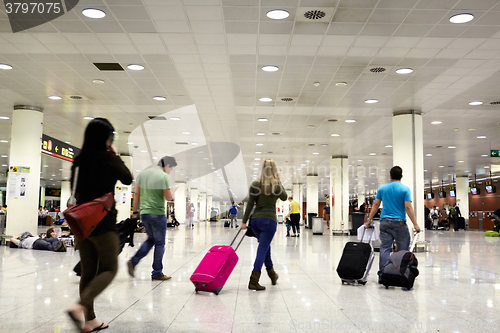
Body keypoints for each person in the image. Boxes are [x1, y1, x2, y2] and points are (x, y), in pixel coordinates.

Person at [66, 118, 133, 333]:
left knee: (88, 272)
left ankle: (90, 320)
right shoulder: (107, 158)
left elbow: (75, 192)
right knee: (109, 269)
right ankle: (79, 308)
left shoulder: (78, 161)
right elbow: (127, 178)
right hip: (102, 223)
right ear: (107, 138)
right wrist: (114, 155)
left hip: (81, 223)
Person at [364, 166, 421, 284]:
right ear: (402, 176)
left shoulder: (382, 188)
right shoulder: (405, 189)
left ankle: (383, 275)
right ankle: (401, 274)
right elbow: (408, 207)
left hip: (384, 222)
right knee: (403, 250)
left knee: (384, 248)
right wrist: (415, 224)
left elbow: (376, 205)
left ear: (390, 176)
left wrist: (369, 219)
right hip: (399, 223)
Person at [127, 156, 177, 281]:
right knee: (160, 244)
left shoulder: (143, 175)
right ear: (167, 166)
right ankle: (157, 273)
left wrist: (135, 212)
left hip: (145, 214)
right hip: (157, 214)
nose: (170, 171)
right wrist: (173, 190)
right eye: (171, 169)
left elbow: (136, 194)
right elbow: (168, 198)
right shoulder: (164, 176)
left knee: (151, 240)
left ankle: (134, 261)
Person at [241, 159, 288, 290]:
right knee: (262, 249)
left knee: (265, 247)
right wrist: (279, 181)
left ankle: (273, 275)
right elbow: (285, 197)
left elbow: (250, 204)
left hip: (255, 221)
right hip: (269, 221)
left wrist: (244, 221)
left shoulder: (255, 184)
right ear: (275, 170)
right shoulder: (276, 185)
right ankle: (253, 280)